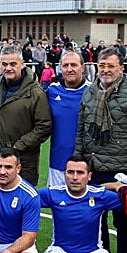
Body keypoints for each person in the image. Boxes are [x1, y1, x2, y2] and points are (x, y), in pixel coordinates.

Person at [73, 45, 127, 253]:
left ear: (121, 68)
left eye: (111, 66)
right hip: (95, 166)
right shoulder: (90, 92)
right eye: (102, 65)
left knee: (124, 220)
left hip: (124, 169)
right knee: (95, 218)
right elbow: (81, 130)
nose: (106, 70)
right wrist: (80, 163)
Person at [36, 156, 127, 253]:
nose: (74, 177)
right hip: (60, 252)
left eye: (80, 173)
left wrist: (115, 185)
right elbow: (25, 198)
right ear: (64, 174)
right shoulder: (53, 193)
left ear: (89, 176)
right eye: (70, 172)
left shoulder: (100, 195)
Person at [0, 44, 51, 186]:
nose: (8, 68)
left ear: (22, 64)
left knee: (18, 204)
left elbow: (44, 126)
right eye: (4, 64)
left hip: (21, 161)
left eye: (13, 64)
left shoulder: (36, 92)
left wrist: (17, 147)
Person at [44, 49, 89, 188]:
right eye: (65, 65)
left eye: (74, 65)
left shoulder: (94, 91)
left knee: (84, 207)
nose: (69, 69)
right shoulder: (51, 91)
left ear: (83, 67)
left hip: (86, 164)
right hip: (57, 162)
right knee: (58, 206)